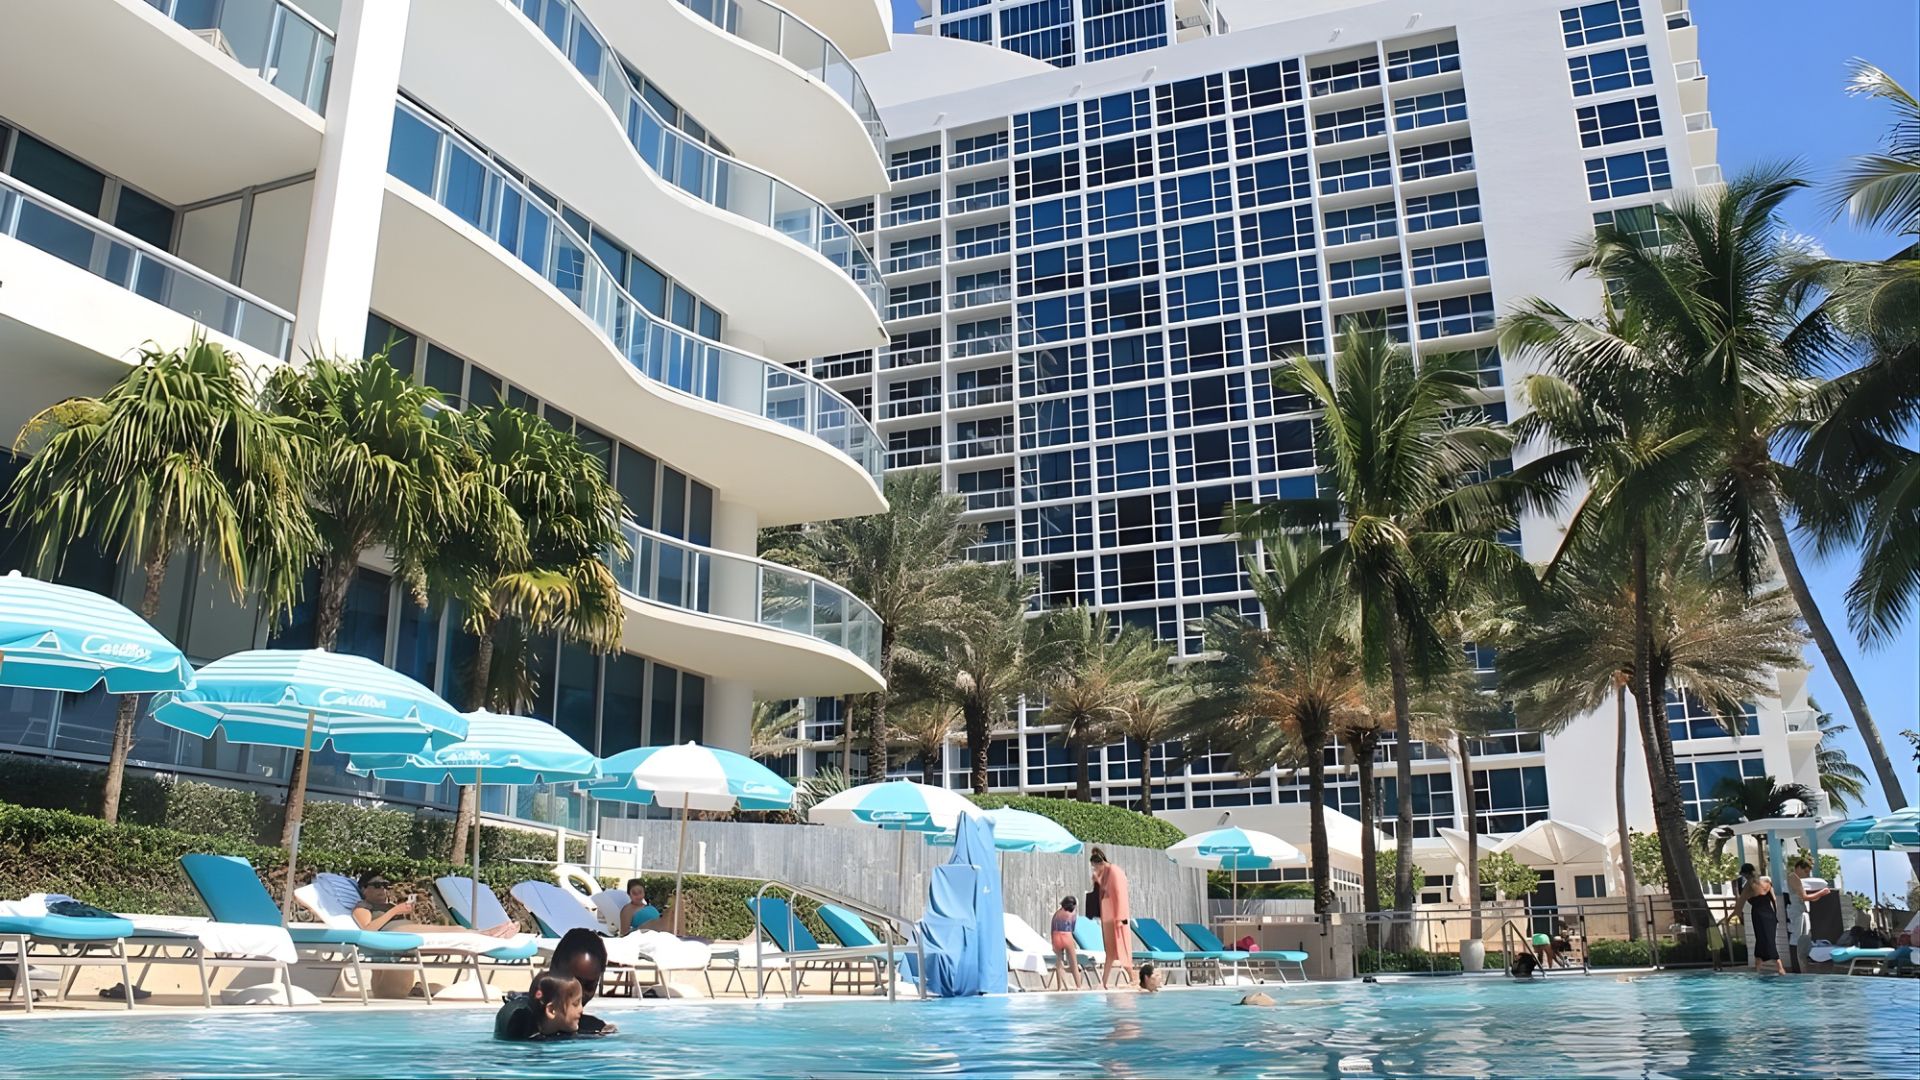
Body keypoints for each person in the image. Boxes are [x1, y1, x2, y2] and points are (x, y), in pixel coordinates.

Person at [547, 927, 619, 1033]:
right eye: (574, 984)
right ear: (553, 969)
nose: (579, 994)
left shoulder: (595, 1029)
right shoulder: (522, 1022)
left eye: (589, 986)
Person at [493, 972, 583, 1041]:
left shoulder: (563, 1022)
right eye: (576, 1003)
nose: (581, 1009)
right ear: (551, 1010)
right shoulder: (522, 1034)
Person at [1088, 847, 1132, 989]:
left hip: (1116, 916)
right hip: (1107, 915)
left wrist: (1120, 917)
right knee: (1110, 952)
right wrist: (1097, 881)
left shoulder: (1114, 871)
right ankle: (1104, 982)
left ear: (1100, 864)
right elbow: (1104, 892)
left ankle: (1132, 978)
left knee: (1122, 949)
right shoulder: (1105, 874)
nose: (1095, 869)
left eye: (1095, 867)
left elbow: (1119, 894)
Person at [1736, 863, 1784, 975]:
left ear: (1745, 874)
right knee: (1768, 940)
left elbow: (1742, 901)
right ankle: (1767, 968)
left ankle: (1778, 968)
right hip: (1769, 914)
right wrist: (1775, 915)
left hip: (1758, 914)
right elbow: (1774, 900)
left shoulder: (1748, 886)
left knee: (1763, 940)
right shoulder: (1766, 883)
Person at [1786, 855, 1830, 968]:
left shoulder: (1800, 881)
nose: (1807, 875)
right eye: (1805, 871)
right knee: (1797, 939)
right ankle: (1796, 966)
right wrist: (1821, 893)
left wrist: (1821, 894)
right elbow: (1804, 897)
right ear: (1799, 867)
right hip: (1796, 912)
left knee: (1805, 939)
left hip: (1802, 910)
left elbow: (1810, 898)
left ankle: (1802, 965)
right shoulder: (1793, 877)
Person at [1048, 895, 1080, 990]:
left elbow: (1053, 926)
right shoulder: (1072, 915)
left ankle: (1060, 987)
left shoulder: (1057, 913)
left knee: (1059, 963)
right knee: (1073, 963)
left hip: (1056, 936)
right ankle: (1078, 986)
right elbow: (1072, 928)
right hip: (1067, 936)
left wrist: (1053, 941)